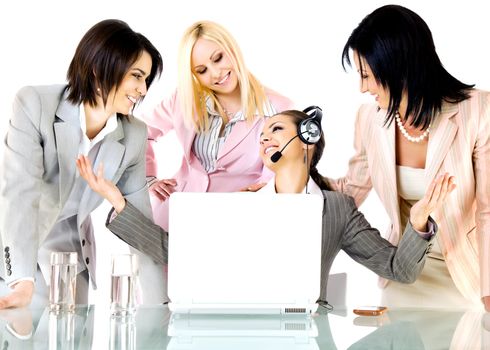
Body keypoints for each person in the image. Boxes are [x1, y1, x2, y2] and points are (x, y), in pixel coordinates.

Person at [76, 108, 454, 306]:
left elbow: (398, 269)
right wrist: (118, 203)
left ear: (307, 141)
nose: (264, 139)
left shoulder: (336, 209)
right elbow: (173, 250)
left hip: (305, 331)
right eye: (262, 134)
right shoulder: (243, 202)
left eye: (275, 130)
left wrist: (419, 223)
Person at [328, 4, 490, 309]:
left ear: (397, 66)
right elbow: (349, 192)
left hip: (467, 280)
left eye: (366, 75)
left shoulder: (479, 112)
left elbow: (488, 210)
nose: (362, 88)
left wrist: (488, 292)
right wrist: (292, 177)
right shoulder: (370, 118)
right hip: (404, 274)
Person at [0, 19, 163, 308]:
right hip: (12, 246)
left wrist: (160, 310)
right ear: (99, 68)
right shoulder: (35, 104)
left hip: (69, 259)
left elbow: (142, 228)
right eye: (137, 76)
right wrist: (22, 280)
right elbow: (19, 194)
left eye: (146, 80)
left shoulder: (135, 134)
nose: (143, 89)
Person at [139, 20, 293, 302]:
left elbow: (284, 172)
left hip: (235, 230)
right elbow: (141, 132)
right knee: (157, 307)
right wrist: (148, 178)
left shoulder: (279, 109)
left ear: (231, 49)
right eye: (202, 70)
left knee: (218, 312)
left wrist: (262, 191)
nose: (216, 74)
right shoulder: (183, 100)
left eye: (218, 59)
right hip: (175, 219)